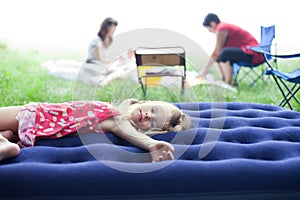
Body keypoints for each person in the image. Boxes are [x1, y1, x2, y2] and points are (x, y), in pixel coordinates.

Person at [0, 99, 192, 162]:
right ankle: (6, 143)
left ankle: (8, 146)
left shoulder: (117, 118)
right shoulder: (117, 108)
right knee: (8, 133)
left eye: (153, 122)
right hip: (38, 123)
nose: (148, 116)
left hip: (37, 114)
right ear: (144, 102)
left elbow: (127, 131)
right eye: (152, 109)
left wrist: (151, 144)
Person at [198, 13, 264, 85]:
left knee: (224, 53)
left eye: (208, 28)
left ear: (212, 24)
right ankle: (223, 79)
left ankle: (228, 83)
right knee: (220, 55)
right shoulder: (223, 27)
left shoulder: (221, 28)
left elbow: (216, 52)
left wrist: (205, 71)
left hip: (254, 54)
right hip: (248, 53)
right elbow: (216, 54)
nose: (209, 31)